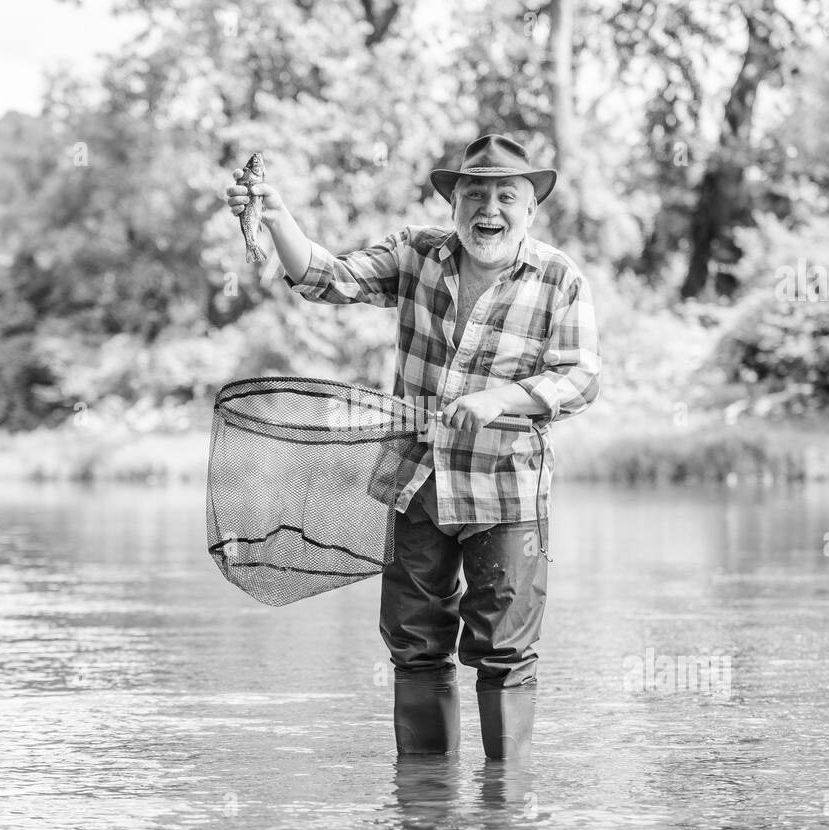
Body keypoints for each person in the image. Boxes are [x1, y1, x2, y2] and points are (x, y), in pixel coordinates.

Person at [225, 134, 600, 760]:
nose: (490, 208)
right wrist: (275, 216)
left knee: (504, 651)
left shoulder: (559, 277)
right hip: (414, 483)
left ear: (530, 209)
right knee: (415, 644)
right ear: (453, 203)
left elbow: (582, 378)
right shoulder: (417, 253)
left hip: (506, 492)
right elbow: (328, 279)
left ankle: (502, 806)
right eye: (474, 193)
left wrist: (499, 400)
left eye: (507, 195)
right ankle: (424, 806)